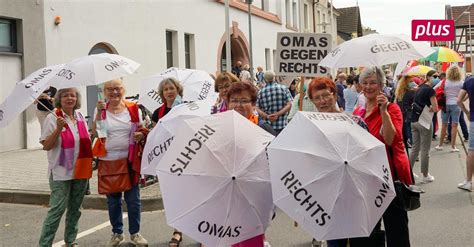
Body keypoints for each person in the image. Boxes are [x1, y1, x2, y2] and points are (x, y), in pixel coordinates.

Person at [308, 77, 371, 247]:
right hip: (328, 198)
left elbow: (369, 155)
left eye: (325, 95)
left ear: (334, 95)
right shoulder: (310, 129)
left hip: (355, 193)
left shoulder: (354, 122)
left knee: (360, 241)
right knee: (335, 243)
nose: (322, 101)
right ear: (313, 101)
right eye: (317, 98)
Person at [353, 66, 412, 247]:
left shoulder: (392, 109)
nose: (369, 87)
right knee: (369, 231)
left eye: (373, 83)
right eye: (365, 83)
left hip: (388, 176)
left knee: (396, 230)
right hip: (366, 177)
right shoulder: (358, 112)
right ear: (360, 85)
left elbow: (390, 139)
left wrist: (384, 111)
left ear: (381, 85)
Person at [92, 79, 148, 247]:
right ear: (105, 91)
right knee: (113, 200)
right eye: (110, 89)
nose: (114, 92)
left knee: (133, 200)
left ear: (123, 90)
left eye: (117, 88)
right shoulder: (100, 109)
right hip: (108, 161)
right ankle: (117, 233)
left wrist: (140, 135)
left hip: (130, 160)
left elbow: (141, 128)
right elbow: (97, 134)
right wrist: (97, 115)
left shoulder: (132, 108)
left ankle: (135, 233)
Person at [39, 87, 93, 247]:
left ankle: (71, 241)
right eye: (65, 96)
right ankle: (44, 244)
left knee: (75, 209)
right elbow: (46, 146)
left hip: (81, 170)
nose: (69, 98)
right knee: (56, 210)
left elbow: (86, 141)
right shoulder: (51, 118)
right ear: (59, 99)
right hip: (60, 172)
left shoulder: (80, 116)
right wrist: (58, 129)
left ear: (77, 99)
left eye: (73, 95)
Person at [226, 81, 274, 247]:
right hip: (228, 197)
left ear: (253, 104)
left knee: (250, 242)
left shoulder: (263, 129)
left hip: (254, 198)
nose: (238, 105)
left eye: (244, 100)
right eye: (234, 100)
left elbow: (275, 165)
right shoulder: (220, 129)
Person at [409, 70, 438, 183]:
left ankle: (409, 172)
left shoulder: (420, 87)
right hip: (424, 120)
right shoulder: (430, 90)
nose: (437, 78)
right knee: (425, 150)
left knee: (415, 149)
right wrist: (431, 108)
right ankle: (425, 175)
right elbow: (435, 108)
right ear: (429, 77)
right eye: (435, 76)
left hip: (414, 120)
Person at [435, 66, 464, 152]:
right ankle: (453, 147)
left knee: (444, 125)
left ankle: (440, 145)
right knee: (454, 125)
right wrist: (461, 100)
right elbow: (466, 93)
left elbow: (434, 89)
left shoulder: (444, 81)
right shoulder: (461, 82)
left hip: (445, 105)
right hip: (456, 105)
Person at [256, 71, 292, 135]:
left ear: (264, 79)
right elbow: (289, 104)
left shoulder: (261, 92)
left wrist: (267, 116)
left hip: (268, 127)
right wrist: (278, 114)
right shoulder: (283, 88)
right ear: (274, 77)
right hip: (282, 125)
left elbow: (257, 108)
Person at [456, 76, 474, 191]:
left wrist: (466, 112)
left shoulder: (469, 81)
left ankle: (468, 181)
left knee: (472, 150)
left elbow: (459, 100)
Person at [394, 75, 417, 154]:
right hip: (408, 114)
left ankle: (405, 152)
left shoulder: (398, 92)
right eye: (410, 81)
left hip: (400, 114)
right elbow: (414, 102)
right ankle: (413, 154)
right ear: (407, 83)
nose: (412, 83)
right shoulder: (410, 92)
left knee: (403, 134)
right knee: (410, 133)